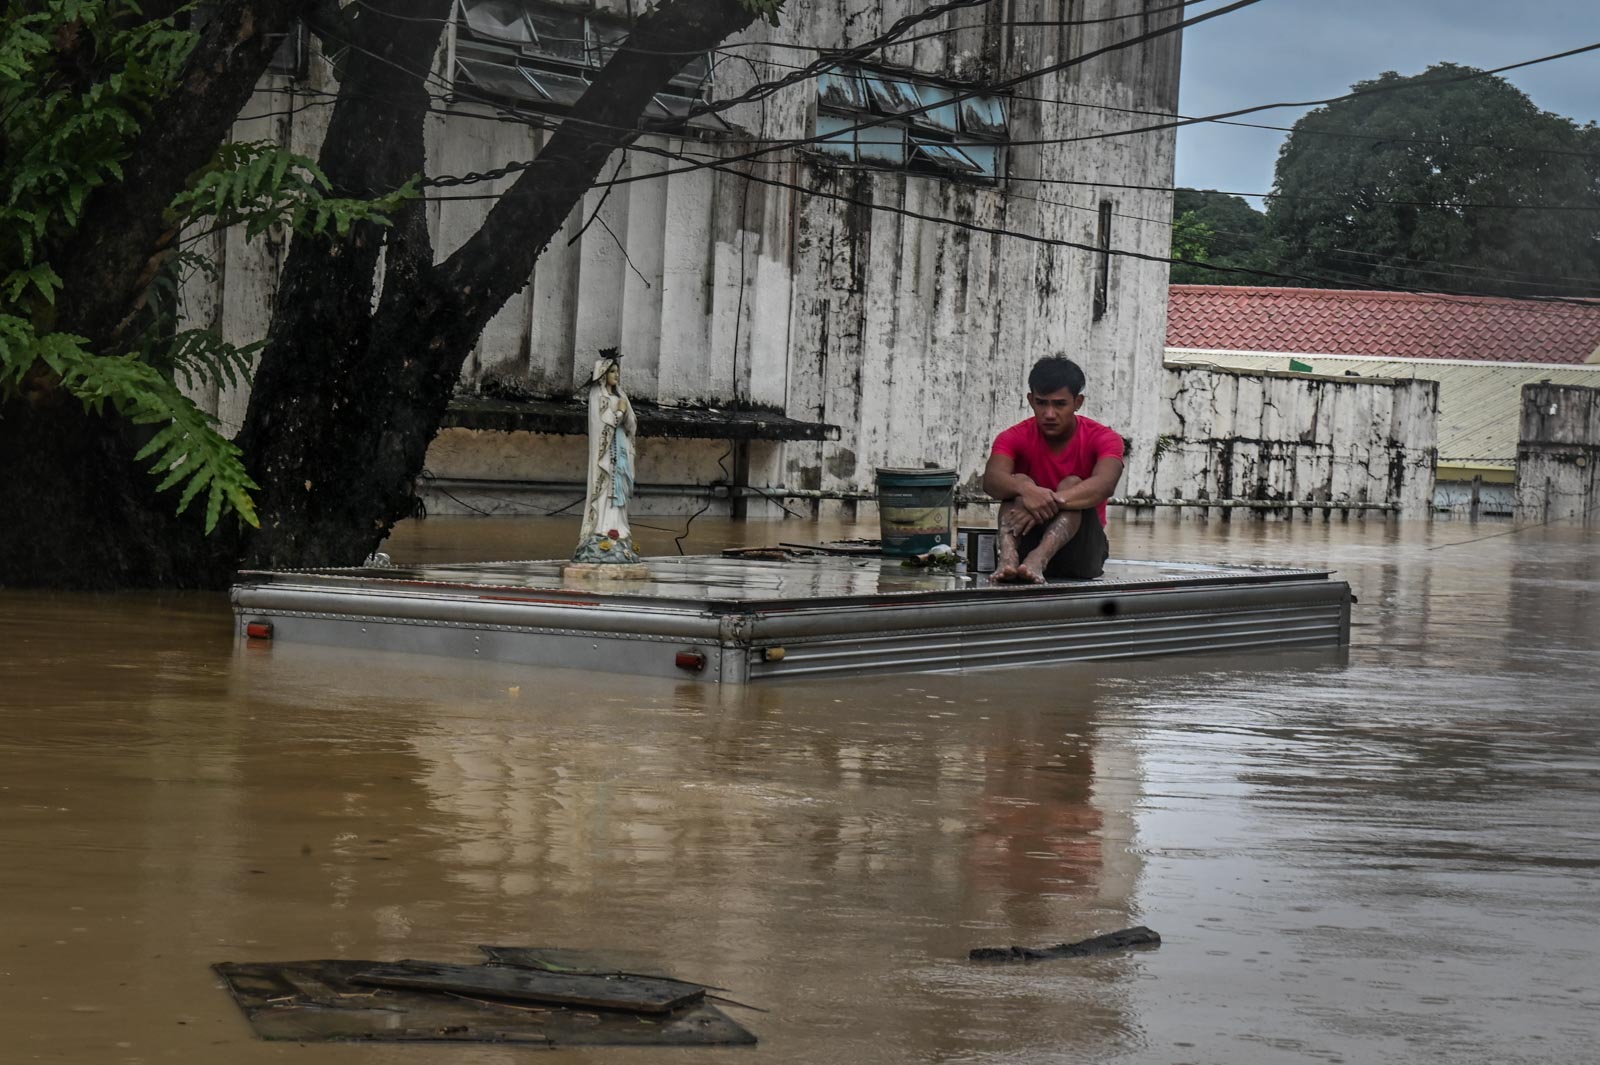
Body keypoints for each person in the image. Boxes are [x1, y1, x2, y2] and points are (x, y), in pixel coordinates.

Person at [981, 356, 1125, 583]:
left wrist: (1046, 500)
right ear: (1031, 400)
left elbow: (1104, 485)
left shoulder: (1104, 438)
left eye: (1059, 404)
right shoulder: (1013, 436)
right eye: (1041, 403)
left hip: (1081, 553)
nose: (1049, 414)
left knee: (1073, 485)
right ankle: (1007, 558)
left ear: (1077, 402)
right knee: (1018, 481)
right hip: (1025, 539)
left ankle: (1039, 559)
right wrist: (1026, 490)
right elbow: (991, 480)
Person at [573, 350, 640, 564]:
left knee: (619, 486)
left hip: (620, 449)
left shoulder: (621, 397)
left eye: (617, 371)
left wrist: (625, 413)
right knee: (605, 490)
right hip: (606, 453)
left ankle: (619, 529)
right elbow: (603, 424)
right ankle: (601, 529)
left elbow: (632, 425)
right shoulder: (598, 397)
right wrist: (619, 413)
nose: (616, 375)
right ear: (603, 374)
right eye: (612, 371)